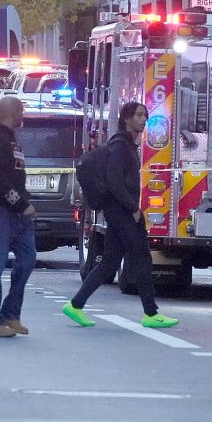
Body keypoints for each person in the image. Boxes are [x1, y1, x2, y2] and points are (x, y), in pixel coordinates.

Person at [63, 102, 179, 329]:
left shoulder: (127, 146)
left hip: (117, 211)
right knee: (142, 257)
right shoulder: (120, 147)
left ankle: (76, 305)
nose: (143, 119)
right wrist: (133, 209)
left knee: (109, 262)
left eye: (145, 115)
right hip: (121, 211)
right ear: (126, 119)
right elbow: (114, 181)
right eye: (138, 115)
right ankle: (151, 313)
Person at [0, 96, 37, 338]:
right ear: (14, 111)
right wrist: (19, 203)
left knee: (28, 259)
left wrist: (24, 202)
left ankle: (11, 313)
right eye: (22, 110)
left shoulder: (11, 138)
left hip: (18, 213)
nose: (24, 115)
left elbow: (14, 174)